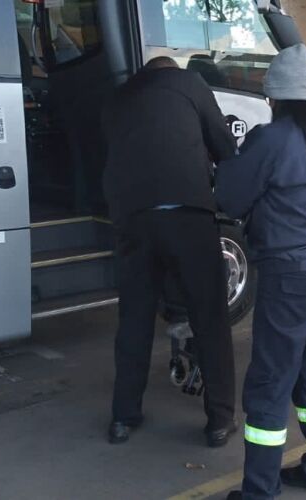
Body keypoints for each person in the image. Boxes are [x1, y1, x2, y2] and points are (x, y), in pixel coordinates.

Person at [217, 44, 306, 500]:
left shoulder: (269, 140)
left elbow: (230, 199)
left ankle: (258, 491)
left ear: (273, 98)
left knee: (270, 382)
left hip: (291, 275)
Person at [101, 56, 236, 447]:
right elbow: (224, 147)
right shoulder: (190, 83)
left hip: (133, 220)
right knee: (210, 316)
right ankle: (219, 420)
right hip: (187, 216)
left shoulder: (118, 97)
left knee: (135, 319)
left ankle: (123, 417)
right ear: (172, 71)